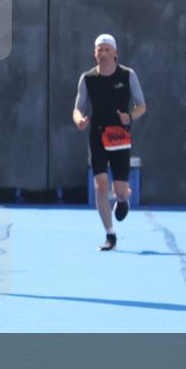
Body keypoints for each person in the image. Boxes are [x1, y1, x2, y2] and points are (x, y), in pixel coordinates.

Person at [73, 34, 147, 251]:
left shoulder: (127, 75)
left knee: (120, 190)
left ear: (115, 53)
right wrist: (80, 120)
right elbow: (78, 108)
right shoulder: (87, 78)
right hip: (97, 134)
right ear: (95, 53)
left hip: (120, 136)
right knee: (100, 185)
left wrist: (130, 117)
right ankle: (110, 234)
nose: (103, 54)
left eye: (107, 50)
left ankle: (123, 200)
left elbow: (141, 105)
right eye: (99, 50)